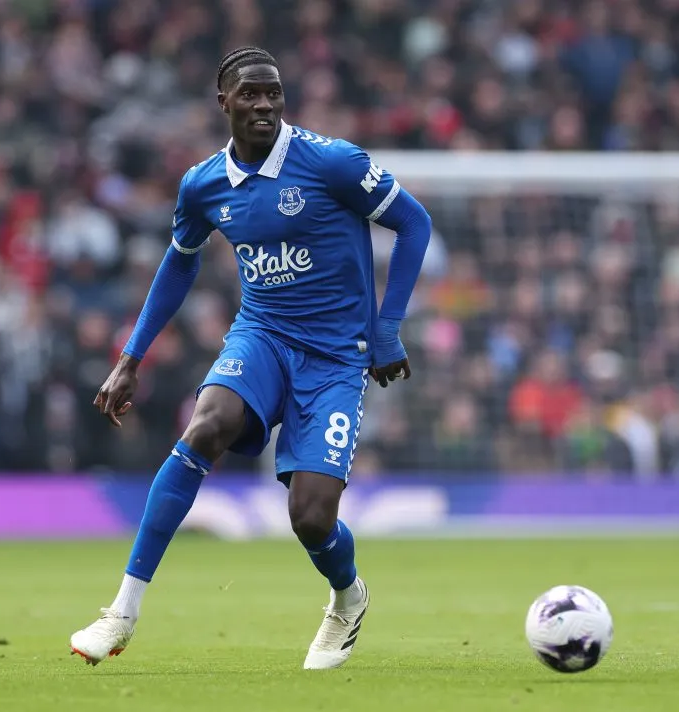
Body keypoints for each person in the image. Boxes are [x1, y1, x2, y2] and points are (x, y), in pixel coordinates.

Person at [70, 47, 434, 670]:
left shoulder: (332, 162)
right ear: (225, 103)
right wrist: (131, 356)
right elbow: (179, 261)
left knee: (311, 517)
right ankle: (121, 613)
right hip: (261, 336)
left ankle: (347, 597)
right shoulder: (203, 183)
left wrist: (387, 329)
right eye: (250, 94)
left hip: (334, 358)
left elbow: (414, 223)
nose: (264, 104)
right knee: (206, 425)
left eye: (273, 93)